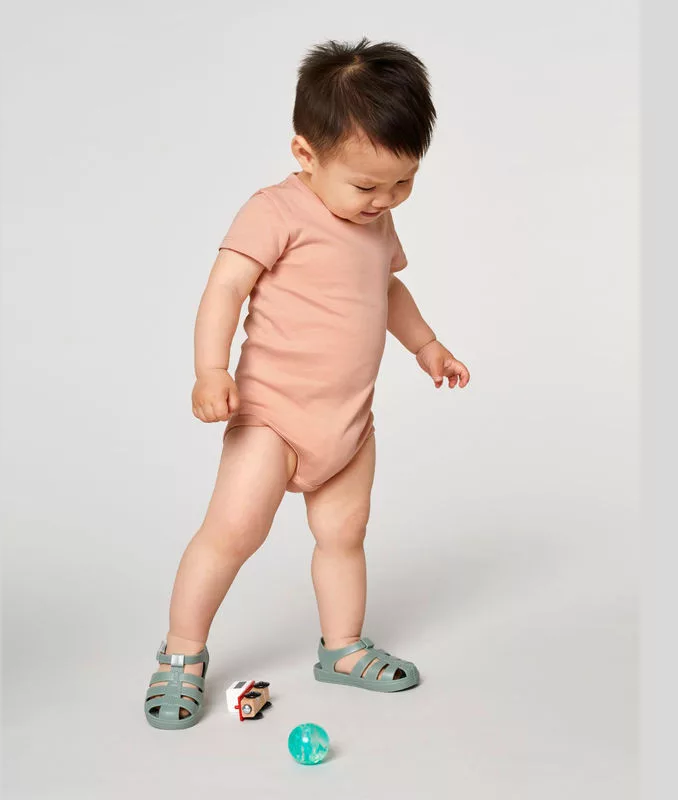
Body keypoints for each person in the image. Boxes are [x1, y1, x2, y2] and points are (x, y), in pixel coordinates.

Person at [144, 37, 471, 730]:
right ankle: (181, 652)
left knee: (345, 532)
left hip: (347, 422)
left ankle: (342, 647)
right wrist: (210, 370)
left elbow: (388, 289)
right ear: (306, 154)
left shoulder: (377, 221)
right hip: (272, 415)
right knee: (232, 533)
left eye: (402, 183)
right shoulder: (275, 210)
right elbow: (225, 288)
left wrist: (426, 345)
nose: (383, 200)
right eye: (366, 186)